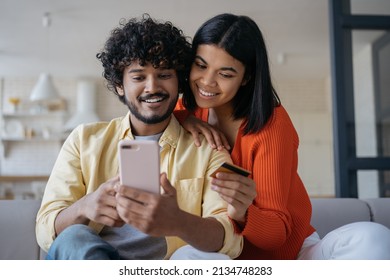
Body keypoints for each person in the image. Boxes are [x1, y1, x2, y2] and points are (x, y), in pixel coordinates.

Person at [175, 13, 390, 259]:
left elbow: (277, 233)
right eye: (201, 65)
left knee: (373, 238)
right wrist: (186, 119)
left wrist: (244, 211)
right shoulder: (186, 111)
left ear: (246, 77)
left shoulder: (271, 124)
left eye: (225, 74)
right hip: (229, 258)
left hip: (294, 256)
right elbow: (148, 112)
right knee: (185, 258)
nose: (207, 82)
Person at [35, 14, 242, 260]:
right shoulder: (83, 140)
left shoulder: (208, 148)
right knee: (74, 237)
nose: (152, 87)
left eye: (164, 75)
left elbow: (230, 238)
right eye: (138, 77)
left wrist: (179, 221)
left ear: (179, 82)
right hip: (94, 260)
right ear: (120, 85)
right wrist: (86, 206)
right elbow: (46, 227)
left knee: (203, 258)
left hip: (168, 265)